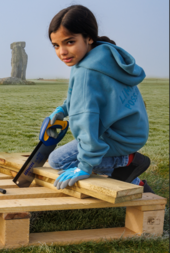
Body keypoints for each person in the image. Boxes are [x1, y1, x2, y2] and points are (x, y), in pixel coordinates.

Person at [46, 5, 153, 193]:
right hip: (132, 132)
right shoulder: (104, 54)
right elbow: (79, 97)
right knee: (68, 156)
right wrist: (63, 110)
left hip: (117, 137)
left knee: (59, 161)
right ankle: (129, 172)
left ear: (88, 37)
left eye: (69, 42)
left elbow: (86, 122)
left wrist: (85, 166)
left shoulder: (86, 71)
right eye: (56, 45)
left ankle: (126, 164)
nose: (62, 52)